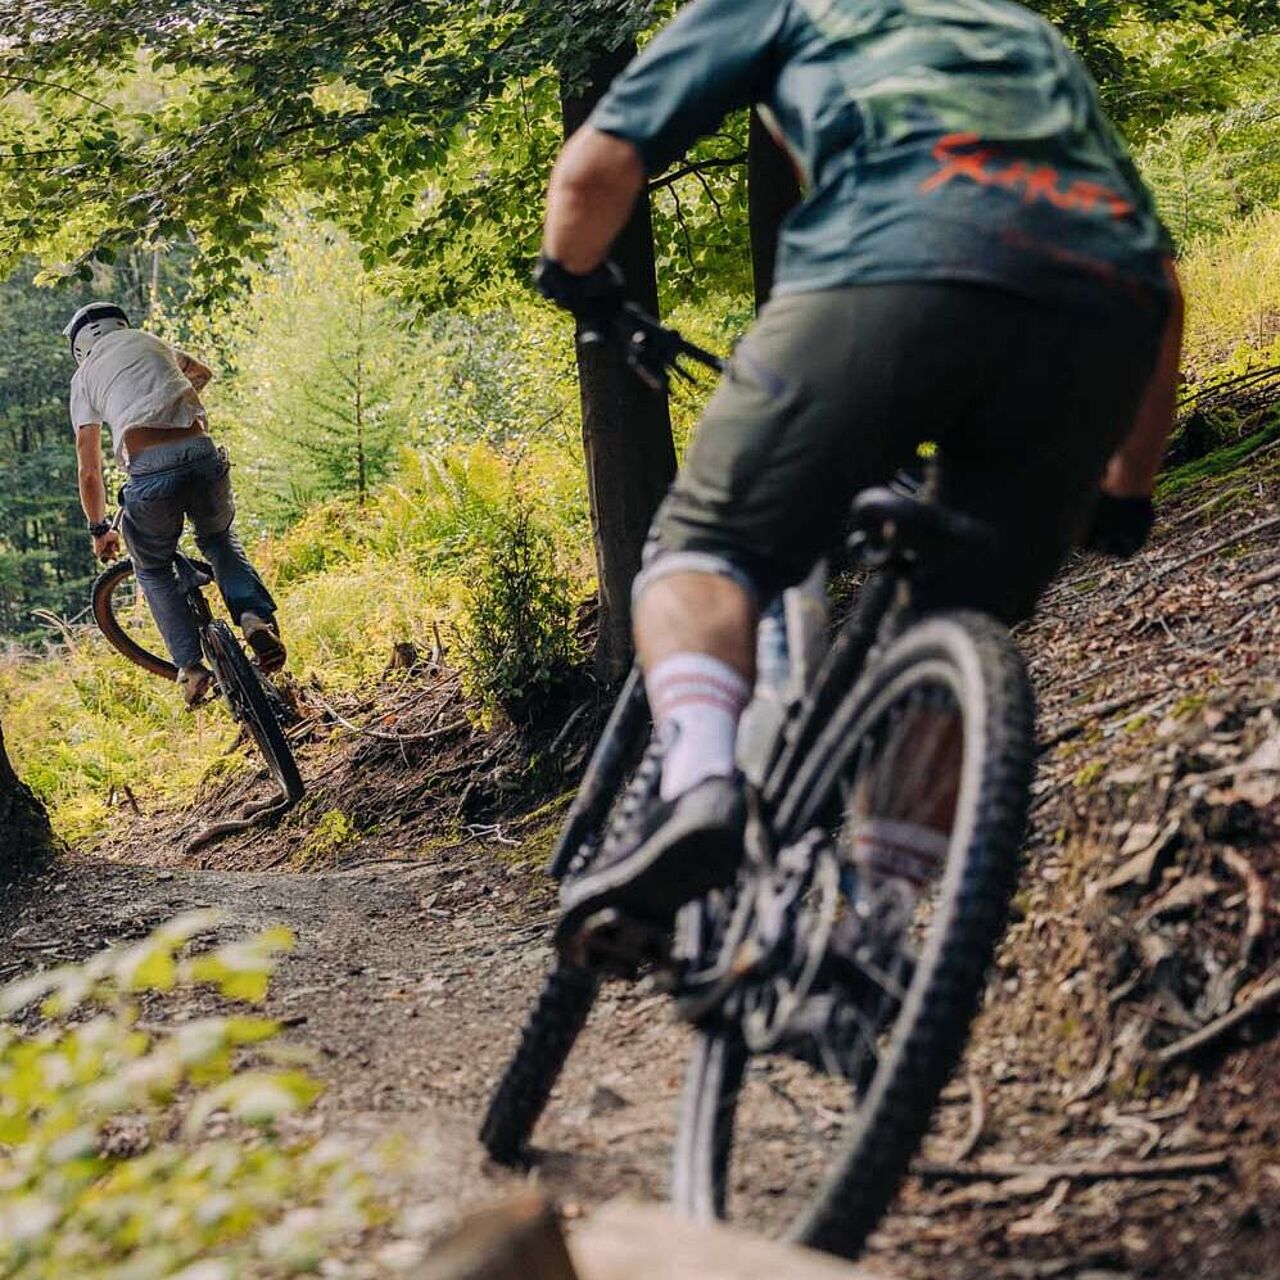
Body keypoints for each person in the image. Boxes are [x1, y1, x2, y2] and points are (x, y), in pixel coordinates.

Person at [535, 0, 1184, 938]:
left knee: (701, 552)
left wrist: (580, 279)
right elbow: (1161, 282)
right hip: (1099, 306)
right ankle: (876, 930)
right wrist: (1128, 488)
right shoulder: (1018, 34)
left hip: (891, 263)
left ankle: (699, 787)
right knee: (957, 620)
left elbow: (596, 168)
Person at [67, 302, 286, 706]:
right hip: (203, 456)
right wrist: (170, 407)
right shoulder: (152, 342)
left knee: (152, 567)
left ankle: (190, 666)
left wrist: (100, 528)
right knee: (219, 539)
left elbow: (89, 471)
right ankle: (255, 619)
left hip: (150, 474)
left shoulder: (84, 378)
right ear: (121, 325)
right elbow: (202, 373)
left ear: (79, 344)